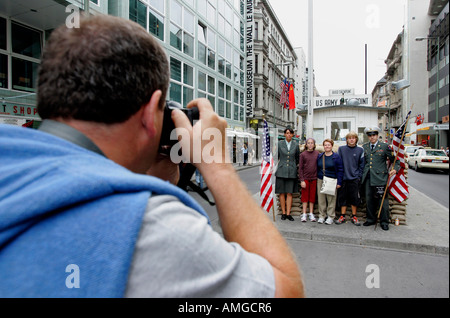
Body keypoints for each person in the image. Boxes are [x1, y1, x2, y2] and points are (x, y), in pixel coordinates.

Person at [0, 15, 304, 298]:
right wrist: (218, 167)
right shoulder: (154, 229)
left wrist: (157, 176)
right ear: (150, 112)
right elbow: (285, 290)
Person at [361, 127, 399, 231]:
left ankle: (384, 221)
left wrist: (395, 169)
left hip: (380, 178)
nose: (372, 137)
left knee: (383, 201)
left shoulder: (384, 146)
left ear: (377, 135)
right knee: (369, 200)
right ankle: (370, 219)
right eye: (369, 135)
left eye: (373, 135)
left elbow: (395, 160)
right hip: (368, 177)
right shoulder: (365, 147)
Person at [336, 132, 365, 226]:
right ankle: (342, 216)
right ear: (347, 139)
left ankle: (354, 216)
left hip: (354, 179)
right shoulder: (341, 149)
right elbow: (338, 163)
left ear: (356, 139)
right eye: (350, 138)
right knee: (342, 198)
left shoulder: (360, 150)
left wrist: (358, 176)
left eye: (353, 138)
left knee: (354, 198)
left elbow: (362, 165)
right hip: (343, 178)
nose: (352, 140)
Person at [275, 127, 300, 221]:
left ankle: (289, 213)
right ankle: (283, 213)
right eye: (287, 133)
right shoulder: (280, 144)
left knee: (289, 193)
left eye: (290, 133)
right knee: (282, 193)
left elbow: (297, 158)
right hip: (281, 170)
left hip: (291, 171)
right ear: (284, 134)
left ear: (293, 134)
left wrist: (293, 165)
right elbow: (276, 156)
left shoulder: (296, 144)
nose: (289, 135)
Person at [317, 139, 344, 225]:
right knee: (321, 199)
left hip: (332, 179)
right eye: (325, 145)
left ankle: (330, 216)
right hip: (321, 179)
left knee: (331, 199)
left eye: (328, 145)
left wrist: (339, 182)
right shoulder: (320, 156)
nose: (327, 146)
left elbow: (340, 170)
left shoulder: (336, 157)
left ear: (332, 146)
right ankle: (322, 215)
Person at [298, 138, 319, 222]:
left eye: (312, 143)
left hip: (314, 178)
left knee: (312, 197)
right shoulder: (303, 155)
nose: (310, 144)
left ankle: (311, 213)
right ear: (306, 144)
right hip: (305, 179)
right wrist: (302, 180)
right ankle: (304, 214)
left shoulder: (317, 154)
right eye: (309, 143)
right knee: (305, 197)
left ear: (314, 145)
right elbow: (301, 168)